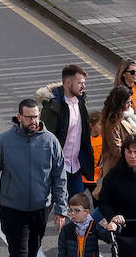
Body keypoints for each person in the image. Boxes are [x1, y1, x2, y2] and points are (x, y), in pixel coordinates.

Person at [0, 97, 68, 257]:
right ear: (19, 117)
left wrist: (61, 208)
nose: (34, 121)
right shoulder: (4, 141)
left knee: (33, 251)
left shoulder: (50, 141)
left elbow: (59, 177)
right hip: (13, 209)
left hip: (40, 209)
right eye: (29, 117)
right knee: (19, 252)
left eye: (36, 116)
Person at [40, 65, 94, 198]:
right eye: (80, 83)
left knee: (79, 208)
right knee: (48, 205)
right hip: (57, 168)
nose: (83, 86)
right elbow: (44, 140)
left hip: (75, 166)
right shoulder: (53, 106)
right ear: (68, 83)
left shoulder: (81, 102)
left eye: (84, 83)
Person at [57, 191, 112, 257]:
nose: (73, 213)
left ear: (86, 212)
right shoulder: (66, 229)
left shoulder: (94, 226)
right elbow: (62, 251)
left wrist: (114, 227)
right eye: (71, 210)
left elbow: (108, 239)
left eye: (77, 210)